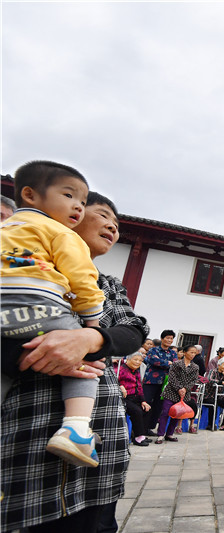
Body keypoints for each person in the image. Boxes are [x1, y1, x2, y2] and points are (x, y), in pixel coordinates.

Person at [1, 191, 149, 532]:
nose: (112, 226)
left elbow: (134, 329)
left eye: (117, 223)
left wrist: (91, 338)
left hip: (101, 442)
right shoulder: (19, 274)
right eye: (102, 215)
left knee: (99, 522)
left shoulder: (108, 285)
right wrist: (34, 356)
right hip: (27, 438)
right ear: (68, 215)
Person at [1, 161, 105, 467]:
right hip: (42, 308)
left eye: (83, 202)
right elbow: (83, 280)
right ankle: (76, 427)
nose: (78, 207)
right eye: (69, 196)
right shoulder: (60, 233)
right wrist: (91, 326)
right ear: (30, 195)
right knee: (87, 361)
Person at [154, 345, 199, 444]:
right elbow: (172, 378)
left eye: (194, 353)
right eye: (191, 352)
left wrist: (185, 389)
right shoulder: (176, 364)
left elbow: (194, 380)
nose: (193, 354)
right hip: (171, 392)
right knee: (165, 413)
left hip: (184, 394)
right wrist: (179, 388)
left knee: (178, 414)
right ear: (185, 352)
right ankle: (160, 435)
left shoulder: (195, 367)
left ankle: (170, 434)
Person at [143, 330, 177, 432]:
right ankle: (140, 429)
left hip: (165, 384)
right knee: (146, 403)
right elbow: (154, 361)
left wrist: (166, 363)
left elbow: (175, 365)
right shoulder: (153, 350)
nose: (169, 340)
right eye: (167, 338)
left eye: (171, 338)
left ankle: (150, 428)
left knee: (158, 406)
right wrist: (168, 363)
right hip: (151, 381)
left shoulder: (173, 353)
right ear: (162, 339)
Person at [115, 353, 151, 446]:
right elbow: (114, 381)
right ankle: (138, 438)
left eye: (140, 360)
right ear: (128, 359)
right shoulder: (120, 369)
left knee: (146, 409)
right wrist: (120, 386)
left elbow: (139, 388)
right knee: (137, 411)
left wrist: (143, 401)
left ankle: (140, 434)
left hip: (135, 397)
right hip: (124, 398)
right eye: (135, 360)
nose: (138, 362)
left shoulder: (136, 372)